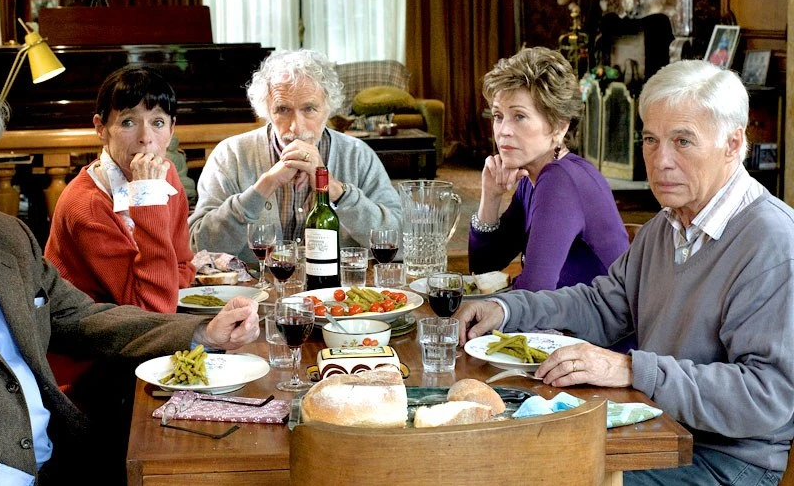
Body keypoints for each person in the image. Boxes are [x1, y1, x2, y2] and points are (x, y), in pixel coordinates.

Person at [0, 62, 260, 485]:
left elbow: (80, 317)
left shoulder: (5, 233)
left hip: (64, 452)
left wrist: (202, 333)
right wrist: (2, 481)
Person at [455, 60, 793, 484]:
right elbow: (601, 304)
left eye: (683, 141)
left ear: (732, 143)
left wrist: (633, 370)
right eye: (651, 140)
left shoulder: (772, 242)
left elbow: (766, 396)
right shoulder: (665, 227)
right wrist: (506, 310)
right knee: (498, 458)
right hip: (652, 428)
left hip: (723, 461)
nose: (661, 160)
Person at [189, 49, 401, 262]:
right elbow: (198, 248)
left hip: (337, 283)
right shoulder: (230, 155)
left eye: (309, 109)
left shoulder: (358, 156)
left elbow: (400, 243)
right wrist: (264, 187)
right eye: (282, 109)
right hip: (254, 284)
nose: (296, 127)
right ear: (266, 110)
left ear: (328, 108)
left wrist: (337, 191)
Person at [469, 47, 629, 292]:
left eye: (519, 116)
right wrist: (490, 196)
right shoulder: (530, 181)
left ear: (559, 127)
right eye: (498, 116)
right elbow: (482, 272)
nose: (503, 131)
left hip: (595, 319)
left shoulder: (560, 180)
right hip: (560, 316)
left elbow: (533, 292)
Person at [45, 64, 196, 314]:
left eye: (158, 122)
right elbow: (150, 310)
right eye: (128, 122)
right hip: (88, 329)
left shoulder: (165, 173)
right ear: (101, 128)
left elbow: (182, 265)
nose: (146, 137)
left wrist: (166, 289)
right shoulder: (86, 204)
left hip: (143, 322)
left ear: (171, 130)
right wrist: (147, 196)